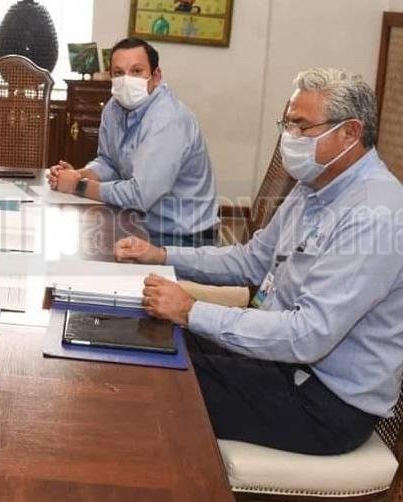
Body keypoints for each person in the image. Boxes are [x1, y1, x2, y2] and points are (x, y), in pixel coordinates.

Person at [115, 68, 403, 455]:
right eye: (287, 124)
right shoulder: (314, 186)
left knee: (156, 386)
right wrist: (161, 255)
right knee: (150, 339)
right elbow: (252, 260)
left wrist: (191, 310)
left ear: (349, 133)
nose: (290, 137)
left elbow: (307, 335)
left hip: (324, 402)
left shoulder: (375, 215)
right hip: (281, 359)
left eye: (302, 126)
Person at [47, 37, 219, 247]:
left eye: (136, 71)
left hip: (183, 238)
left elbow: (140, 196)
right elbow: (109, 162)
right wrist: (77, 174)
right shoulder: (113, 107)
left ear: (156, 76)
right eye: (118, 73)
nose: (126, 80)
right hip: (139, 222)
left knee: (88, 252)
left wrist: (78, 186)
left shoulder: (168, 119)